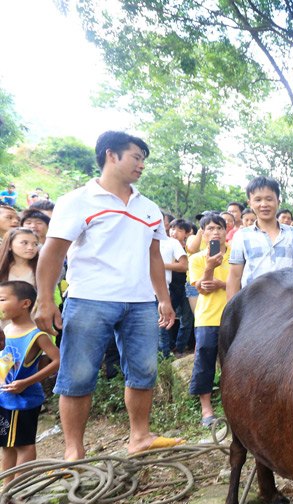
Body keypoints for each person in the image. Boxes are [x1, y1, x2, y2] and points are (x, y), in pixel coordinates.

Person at [34, 131, 179, 460]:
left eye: (144, 159)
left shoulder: (149, 207)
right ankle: (74, 451)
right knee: (78, 374)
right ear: (111, 155)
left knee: (144, 371)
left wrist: (163, 298)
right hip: (89, 299)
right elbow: (53, 253)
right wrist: (45, 299)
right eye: (136, 157)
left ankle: (139, 437)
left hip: (141, 302)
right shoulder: (78, 200)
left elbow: (154, 257)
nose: (141, 165)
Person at [0, 281, 60, 486]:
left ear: (25, 303)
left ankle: (20, 489)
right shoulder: (6, 329)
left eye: (2, 300)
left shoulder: (37, 335)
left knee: (24, 445)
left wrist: (27, 381)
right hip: (4, 398)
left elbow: (57, 360)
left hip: (23, 400)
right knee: (6, 445)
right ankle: (7, 489)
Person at [226, 176, 293, 299]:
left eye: (269, 199)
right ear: (250, 203)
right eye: (258, 200)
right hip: (253, 304)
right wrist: (232, 314)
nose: (264, 204)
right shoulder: (241, 236)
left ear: (278, 201)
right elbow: (235, 276)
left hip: (289, 304)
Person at [188, 214, 230, 427]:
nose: (215, 232)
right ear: (203, 234)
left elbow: (240, 283)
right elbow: (202, 286)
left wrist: (222, 283)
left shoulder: (236, 254)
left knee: (232, 363)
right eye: (210, 229)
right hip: (207, 317)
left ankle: (230, 405)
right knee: (204, 360)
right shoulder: (196, 259)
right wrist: (210, 267)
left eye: (219, 228)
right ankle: (206, 410)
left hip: (233, 316)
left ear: (226, 231)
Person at [159, 219, 189, 358]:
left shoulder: (174, 244)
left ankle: (167, 355)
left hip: (170, 288)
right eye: (172, 228)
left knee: (165, 323)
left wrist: (159, 265)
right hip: (147, 289)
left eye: (179, 229)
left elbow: (184, 266)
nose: (174, 232)